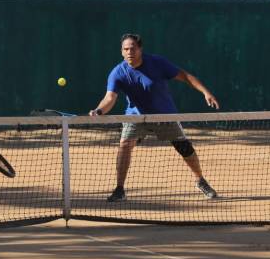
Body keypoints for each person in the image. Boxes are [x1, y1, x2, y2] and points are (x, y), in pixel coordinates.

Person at [89, 33, 220, 202]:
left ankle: (200, 180)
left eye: (133, 48)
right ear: (122, 52)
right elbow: (110, 98)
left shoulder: (158, 63)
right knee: (125, 145)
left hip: (164, 114)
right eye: (126, 49)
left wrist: (206, 92)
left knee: (184, 148)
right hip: (136, 117)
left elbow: (185, 76)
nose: (130, 52)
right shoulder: (118, 72)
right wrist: (99, 110)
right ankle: (120, 188)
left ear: (140, 49)